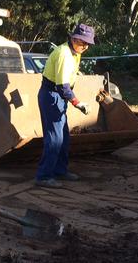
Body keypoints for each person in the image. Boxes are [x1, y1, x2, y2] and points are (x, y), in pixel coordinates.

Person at [35, 23, 95, 188]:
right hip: (52, 95)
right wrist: (78, 103)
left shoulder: (75, 52)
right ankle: (44, 176)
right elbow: (62, 86)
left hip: (58, 96)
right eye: (82, 42)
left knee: (64, 137)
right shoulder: (64, 54)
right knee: (55, 139)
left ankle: (60, 170)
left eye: (88, 43)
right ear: (73, 38)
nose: (85, 46)